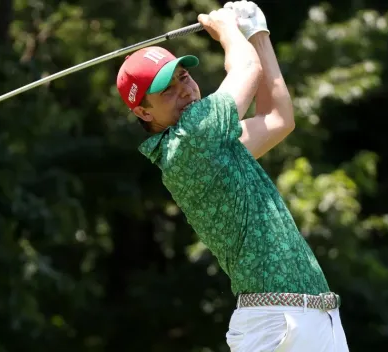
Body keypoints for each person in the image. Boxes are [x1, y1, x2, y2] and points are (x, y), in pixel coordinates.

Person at [116, 1, 350, 351]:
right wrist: (227, 29)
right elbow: (246, 67)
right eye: (166, 90)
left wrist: (258, 34)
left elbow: (277, 118)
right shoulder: (190, 141)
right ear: (141, 110)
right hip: (276, 324)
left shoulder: (209, 142)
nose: (184, 90)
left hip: (314, 320)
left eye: (184, 77)